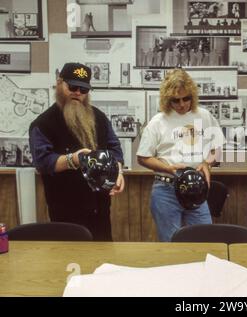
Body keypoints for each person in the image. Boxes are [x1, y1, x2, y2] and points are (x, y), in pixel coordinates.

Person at [29, 63, 125, 241]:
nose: (78, 92)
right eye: (72, 86)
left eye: (83, 89)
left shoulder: (100, 118)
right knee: (70, 263)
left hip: (100, 207)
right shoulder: (43, 123)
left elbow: (115, 149)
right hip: (65, 211)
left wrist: (118, 170)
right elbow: (42, 162)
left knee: (103, 260)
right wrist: (73, 159)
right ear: (59, 83)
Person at [136, 68, 224, 242]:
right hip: (166, 189)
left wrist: (207, 163)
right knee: (171, 244)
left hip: (197, 189)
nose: (182, 104)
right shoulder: (158, 122)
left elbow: (217, 148)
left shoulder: (204, 116)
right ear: (167, 100)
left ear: (193, 96)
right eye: (176, 100)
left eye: (186, 99)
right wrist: (168, 168)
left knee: (205, 241)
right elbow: (143, 157)